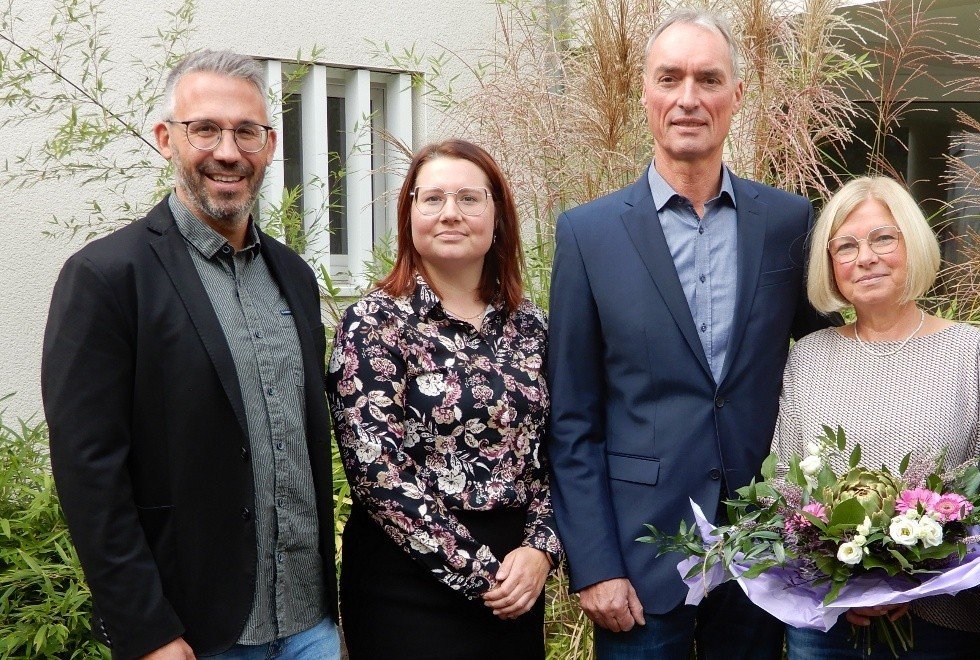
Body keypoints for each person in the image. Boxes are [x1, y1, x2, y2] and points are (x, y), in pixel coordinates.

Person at [545, 8, 833, 659]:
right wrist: (593, 564)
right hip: (639, 564)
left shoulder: (788, 223)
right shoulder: (588, 236)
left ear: (736, 95)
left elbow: (827, 365)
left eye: (708, 80)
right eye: (669, 78)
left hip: (763, 557)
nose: (688, 98)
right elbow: (572, 418)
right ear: (643, 92)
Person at [41, 50, 339, 660]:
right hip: (195, 634)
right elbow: (89, 472)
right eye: (204, 128)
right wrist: (146, 629)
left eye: (245, 131)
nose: (227, 151)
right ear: (165, 139)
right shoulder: (106, 277)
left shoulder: (295, 276)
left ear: (269, 144)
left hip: (312, 628)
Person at [326, 138, 561, 659]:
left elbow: (563, 449)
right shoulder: (374, 323)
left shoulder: (534, 328)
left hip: (517, 575)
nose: (450, 213)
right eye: (431, 199)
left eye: (468, 198)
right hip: (406, 582)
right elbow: (376, 469)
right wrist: (480, 573)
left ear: (497, 216)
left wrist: (541, 550)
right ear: (409, 214)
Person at [771, 177, 980, 660]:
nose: (865, 257)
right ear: (830, 267)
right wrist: (843, 577)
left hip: (942, 617)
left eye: (883, 238)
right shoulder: (808, 357)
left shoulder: (971, 351)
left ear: (911, 242)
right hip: (827, 620)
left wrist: (909, 576)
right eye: (846, 246)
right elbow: (784, 488)